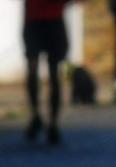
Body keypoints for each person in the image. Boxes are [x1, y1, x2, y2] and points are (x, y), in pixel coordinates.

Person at [22, 0, 80, 145]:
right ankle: (37, 116)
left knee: (52, 72)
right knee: (35, 70)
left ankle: (52, 122)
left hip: (50, 21)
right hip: (35, 20)